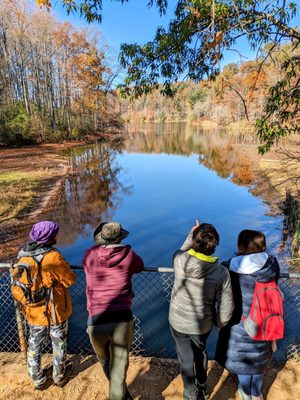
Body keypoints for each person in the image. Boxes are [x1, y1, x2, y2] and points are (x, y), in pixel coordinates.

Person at [169, 220, 234, 400]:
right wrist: (220, 322)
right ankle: (203, 388)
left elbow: (183, 251)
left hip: (177, 321)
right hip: (202, 324)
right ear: (215, 246)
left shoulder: (179, 260)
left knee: (185, 359)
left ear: (195, 242)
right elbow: (226, 304)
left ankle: (189, 393)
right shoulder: (221, 272)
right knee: (201, 352)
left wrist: (191, 234)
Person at [215, 229, 280, 400]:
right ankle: (257, 394)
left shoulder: (230, 267)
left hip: (240, 325)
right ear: (263, 245)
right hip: (264, 322)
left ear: (240, 246)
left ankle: (245, 393)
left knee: (244, 363)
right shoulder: (272, 264)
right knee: (258, 363)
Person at [83, 221, 144, 400]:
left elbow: (89, 267)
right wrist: (127, 250)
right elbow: (139, 266)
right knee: (118, 368)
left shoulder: (89, 254)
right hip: (121, 321)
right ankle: (120, 394)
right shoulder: (129, 254)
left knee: (105, 361)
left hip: (95, 319)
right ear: (120, 238)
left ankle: (121, 393)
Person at [15, 220, 77, 389]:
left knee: (34, 345)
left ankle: (37, 379)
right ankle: (59, 376)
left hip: (33, 312)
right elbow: (70, 280)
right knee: (59, 344)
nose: (58, 235)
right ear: (50, 238)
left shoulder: (23, 257)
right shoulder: (53, 257)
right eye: (55, 233)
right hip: (55, 311)